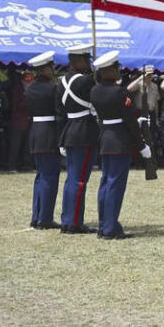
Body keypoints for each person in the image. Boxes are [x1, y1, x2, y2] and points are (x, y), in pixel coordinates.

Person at [90, 51, 152, 240]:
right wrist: (142, 145)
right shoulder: (120, 92)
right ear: (108, 71)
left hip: (105, 139)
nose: (119, 71)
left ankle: (104, 224)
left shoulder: (95, 91)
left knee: (105, 183)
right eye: (116, 68)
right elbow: (130, 122)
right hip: (119, 141)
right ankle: (110, 228)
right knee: (115, 185)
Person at [57, 43, 99, 234]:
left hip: (70, 130)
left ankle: (67, 219)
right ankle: (74, 223)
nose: (89, 63)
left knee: (71, 179)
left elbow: (60, 110)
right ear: (79, 61)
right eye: (87, 60)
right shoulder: (85, 81)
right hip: (84, 132)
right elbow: (97, 101)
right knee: (79, 180)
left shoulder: (61, 81)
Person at [25, 51, 61, 230]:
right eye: (51, 67)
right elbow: (58, 111)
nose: (52, 70)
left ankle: (37, 215)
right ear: (44, 69)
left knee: (40, 177)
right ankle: (45, 218)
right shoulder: (53, 88)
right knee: (49, 177)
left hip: (36, 132)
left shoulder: (29, 88)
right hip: (49, 133)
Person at [127, 65, 161, 157]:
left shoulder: (155, 86)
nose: (149, 77)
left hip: (151, 112)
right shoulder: (139, 84)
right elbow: (129, 88)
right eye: (147, 74)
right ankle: (139, 160)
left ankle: (150, 158)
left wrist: (157, 117)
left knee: (151, 136)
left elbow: (156, 102)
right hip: (141, 112)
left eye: (151, 75)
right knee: (140, 136)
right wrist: (140, 78)